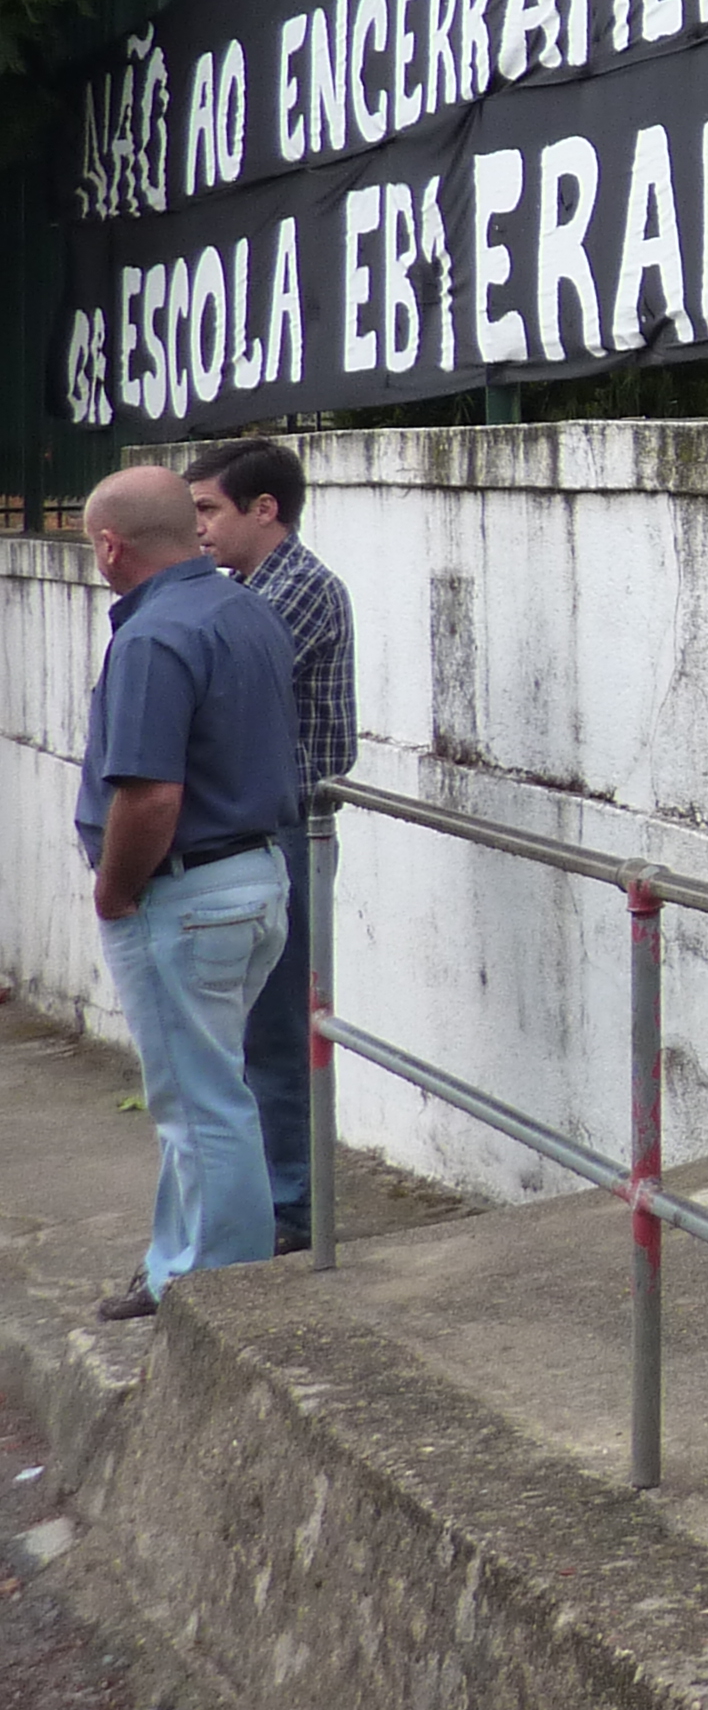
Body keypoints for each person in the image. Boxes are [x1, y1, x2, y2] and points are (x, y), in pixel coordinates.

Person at [75, 467, 303, 1321]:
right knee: (202, 1092)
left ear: (110, 545)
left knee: (201, 1105)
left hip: (186, 891)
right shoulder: (244, 608)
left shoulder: (151, 637)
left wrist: (112, 892)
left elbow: (150, 796)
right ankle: (178, 1263)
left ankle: (217, 1292)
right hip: (255, 877)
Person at [186, 438, 354, 1258]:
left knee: (280, 1030)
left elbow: (214, 684)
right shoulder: (244, 590)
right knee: (248, 1028)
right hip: (259, 827)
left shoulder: (298, 591)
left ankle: (292, 1208)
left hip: (290, 826)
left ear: (265, 510)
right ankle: (271, 1199)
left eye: (210, 510)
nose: (199, 531)